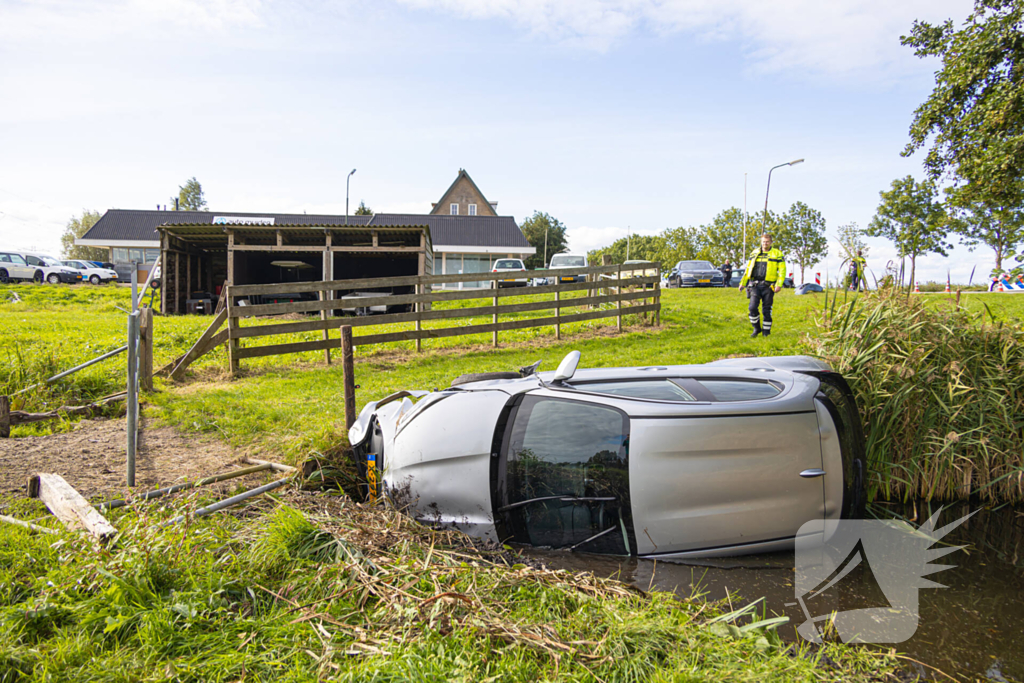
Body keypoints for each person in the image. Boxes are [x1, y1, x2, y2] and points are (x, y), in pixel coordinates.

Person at [738, 233, 786, 337]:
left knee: (766, 310)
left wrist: (779, 284)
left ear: (771, 242)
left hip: (769, 286)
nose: (765, 244)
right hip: (755, 285)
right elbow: (748, 269)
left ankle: (766, 333)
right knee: (752, 308)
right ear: (761, 242)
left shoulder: (777, 253)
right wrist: (742, 283)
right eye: (764, 242)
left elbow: (782, 271)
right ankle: (756, 328)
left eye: (767, 242)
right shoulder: (755, 253)